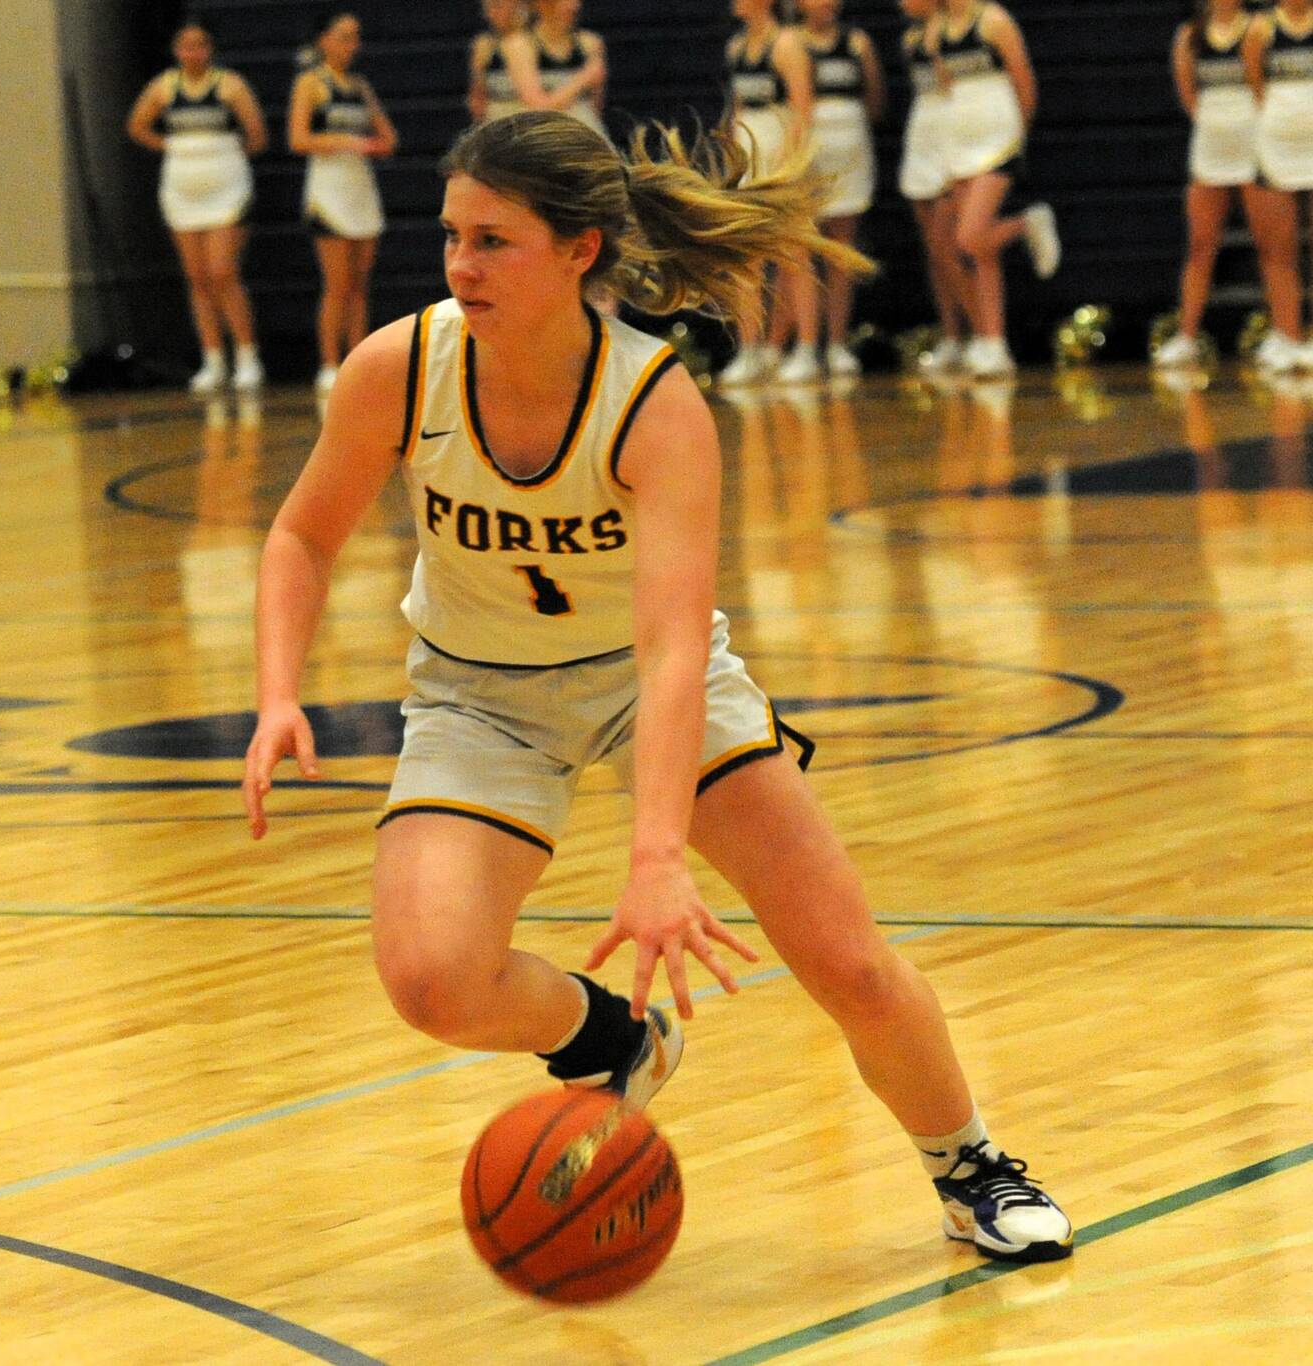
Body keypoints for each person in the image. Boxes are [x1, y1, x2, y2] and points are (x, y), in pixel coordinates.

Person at [242, 109, 1073, 1267]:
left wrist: (655, 855)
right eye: (451, 237)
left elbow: (672, 646)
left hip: (645, 684)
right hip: (476, 692)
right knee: (430, 981)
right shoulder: (400, 366)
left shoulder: (651, 404)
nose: (460, 266)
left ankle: (968, 1161)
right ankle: (610, 1039)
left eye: (493, 242)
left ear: (578, 251)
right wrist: (277, 692)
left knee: (843, 960)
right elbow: (301, 534)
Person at [126, 21, 268, 393]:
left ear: (211, 48)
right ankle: (213, 359)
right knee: (198, 277)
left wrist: (221, 154)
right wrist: (173, 147)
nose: (193, 52)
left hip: (226, 190)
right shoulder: (163, 87)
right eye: (186, 45)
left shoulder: (230, 85)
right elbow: (137, 126)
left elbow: (257, 135)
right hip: (182, 191)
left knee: (223, 272)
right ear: (176, 50)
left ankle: (247, 356)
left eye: (200, 44)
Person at [933, 0, 1061, 380]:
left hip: (999, 138)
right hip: (961, 140)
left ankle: (1026, 224)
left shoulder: (993, 19)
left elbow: (1023, 79)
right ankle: (994, 344)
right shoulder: (938, 29)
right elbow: (946, 87)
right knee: (977, 251)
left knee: (970, 236)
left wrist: (1020, 135)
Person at [289, 10, 398, 395]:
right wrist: (347, 142)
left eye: (355, 37)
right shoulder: (310, 83)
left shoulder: (359, 85)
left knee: (360, 285)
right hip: (328, 188)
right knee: (337, 284)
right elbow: (298, 139)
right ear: (323, 39)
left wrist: (375, 145)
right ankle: (329, 364)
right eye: (343, 36)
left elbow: (389, 138)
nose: (352, 45)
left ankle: (358, 362)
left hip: (359, 185)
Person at [718, 0, 820, 386]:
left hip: (781, 157)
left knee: (795, 255)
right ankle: (750, 351)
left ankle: (806, 349)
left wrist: (788, 168)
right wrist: (733, 160)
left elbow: (803, 111)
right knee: (746, 258)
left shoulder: (787, 44)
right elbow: (737, 110)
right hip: (750, 155)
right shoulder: (736, 47)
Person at [797, 0, 884, 377]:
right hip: (808, 151)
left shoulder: (856, 42)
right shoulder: (792, 43)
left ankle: (837, 343)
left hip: (850, 148)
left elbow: (875, 100)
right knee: (803, 247)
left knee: (841, 248)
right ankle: (805, 346)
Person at [898, 0, 973, 374]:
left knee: (952, 245)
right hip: (922, 130)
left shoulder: (953, 29)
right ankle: (953, 336)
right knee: (934, 249)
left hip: (953, 128)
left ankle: (983, 333)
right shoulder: (910, 37)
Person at [1246, 0, 1313, 372]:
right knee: (1279, 247)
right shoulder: (1261, 28)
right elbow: (1255, 84)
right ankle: (1288, 336)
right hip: (1277, 146)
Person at [499, 0, 608, 138]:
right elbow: (537, 106)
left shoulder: (590, 42)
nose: (573, 6)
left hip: (585, 129)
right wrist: (583, 78)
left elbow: (596, 103)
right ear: (542, 4)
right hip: (544, 132)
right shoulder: (518, 45)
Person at [467, 0, 531, 125]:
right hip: (497, 124)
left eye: (497, 6)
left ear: (518, 5)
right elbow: (477, 96)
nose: (491, 14)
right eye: (488, 9)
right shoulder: (484, 45)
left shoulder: (536, 42)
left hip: (531, 120)